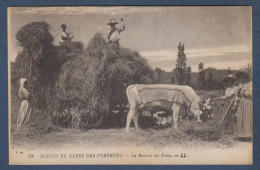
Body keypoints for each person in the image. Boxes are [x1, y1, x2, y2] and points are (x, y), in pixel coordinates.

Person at [234, 72, 252, 141]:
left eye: (242, 76)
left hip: (247, 103)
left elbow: (250, 94)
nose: (241, 78)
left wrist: (243, 89)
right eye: (240, 76)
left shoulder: (250, 84)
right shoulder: (241, 84)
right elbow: (238, 95)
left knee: (247, 118)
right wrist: (237, 91)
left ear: (245, 76)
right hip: (241, 103)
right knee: (240, 118)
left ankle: (248, 135)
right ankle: (241, 135)